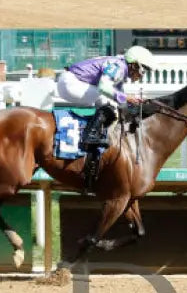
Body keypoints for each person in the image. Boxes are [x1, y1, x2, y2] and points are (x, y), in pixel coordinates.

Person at [56, 45, 155, 190]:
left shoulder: (121, 68)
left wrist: (133, 103)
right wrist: (126, 98)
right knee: (106, 98)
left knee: (112, 102)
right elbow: (104, 87)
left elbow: (120, 99)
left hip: (73, 82)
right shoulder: (118, 66)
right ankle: (91, 136)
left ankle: (96, 136)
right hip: (70, 83)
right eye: (143, 70)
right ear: (134, 64)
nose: (142, 75)